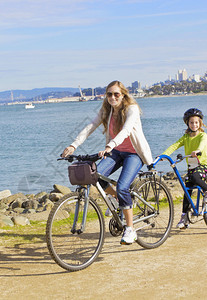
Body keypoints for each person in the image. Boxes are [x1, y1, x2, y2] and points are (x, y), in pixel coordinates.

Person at [61, 80, 153, 245]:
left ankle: (130, 229)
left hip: (134, 154)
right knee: (96, 175)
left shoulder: (131, 109)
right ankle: (120, 199)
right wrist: (73, 145)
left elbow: (126, 130)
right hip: (116, 152)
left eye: (116, 94)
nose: (112, 97)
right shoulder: (107, 110)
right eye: (109, 94)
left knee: (123, 186)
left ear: (123, 94)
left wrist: (110, 145)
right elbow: (91, 126)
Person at [160, 108, 207, 229]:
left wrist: (198, 151)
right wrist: (164, 155)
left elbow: (202, 145)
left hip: (204, 166)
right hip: (192, 167)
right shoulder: (185, 137)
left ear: (200, 123)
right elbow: (175, 145)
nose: (194, 125)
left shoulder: (203, 135)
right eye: (191, 122)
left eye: (196, 122)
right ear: (187, 123)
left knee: (195, 177)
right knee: (187, 190)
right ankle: (185, 217)